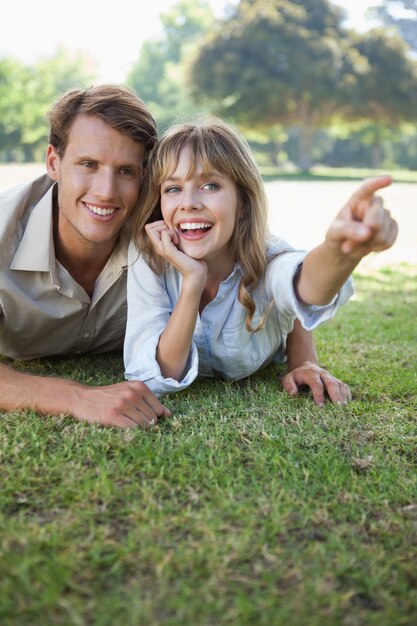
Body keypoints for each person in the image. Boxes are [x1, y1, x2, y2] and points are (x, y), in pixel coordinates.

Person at [0, 87, 352, 430]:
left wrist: (304, 356)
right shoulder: (8, 232)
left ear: (144, 177)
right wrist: (76, 398)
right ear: (53, 162)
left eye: (126, 171)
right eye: (88, 164)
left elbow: (277, 269)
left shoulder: (162, 224)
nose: (106, 192)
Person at [123, 118, 397, 397]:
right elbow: (162, 374)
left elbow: (303, 285)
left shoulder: (268, 257)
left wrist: (339, 251)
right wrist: (193, 280)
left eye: (210, 185)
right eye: (173, 188)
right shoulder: (150, 257)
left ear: (242, 203)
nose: (188, 202)